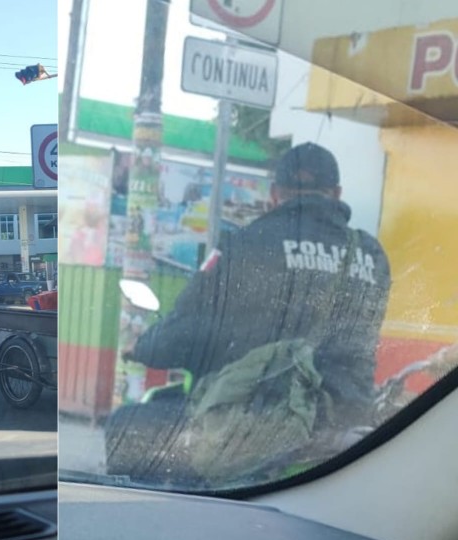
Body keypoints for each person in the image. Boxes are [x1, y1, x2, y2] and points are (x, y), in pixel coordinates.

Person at [125, 142, 391, 424]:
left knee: (127, 422)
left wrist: (145, 347)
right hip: (348, 419)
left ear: (275, 195)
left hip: (261, 424)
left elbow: (189, 324)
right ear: (337, 194)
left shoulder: (244, 245)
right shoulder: (371, 254)